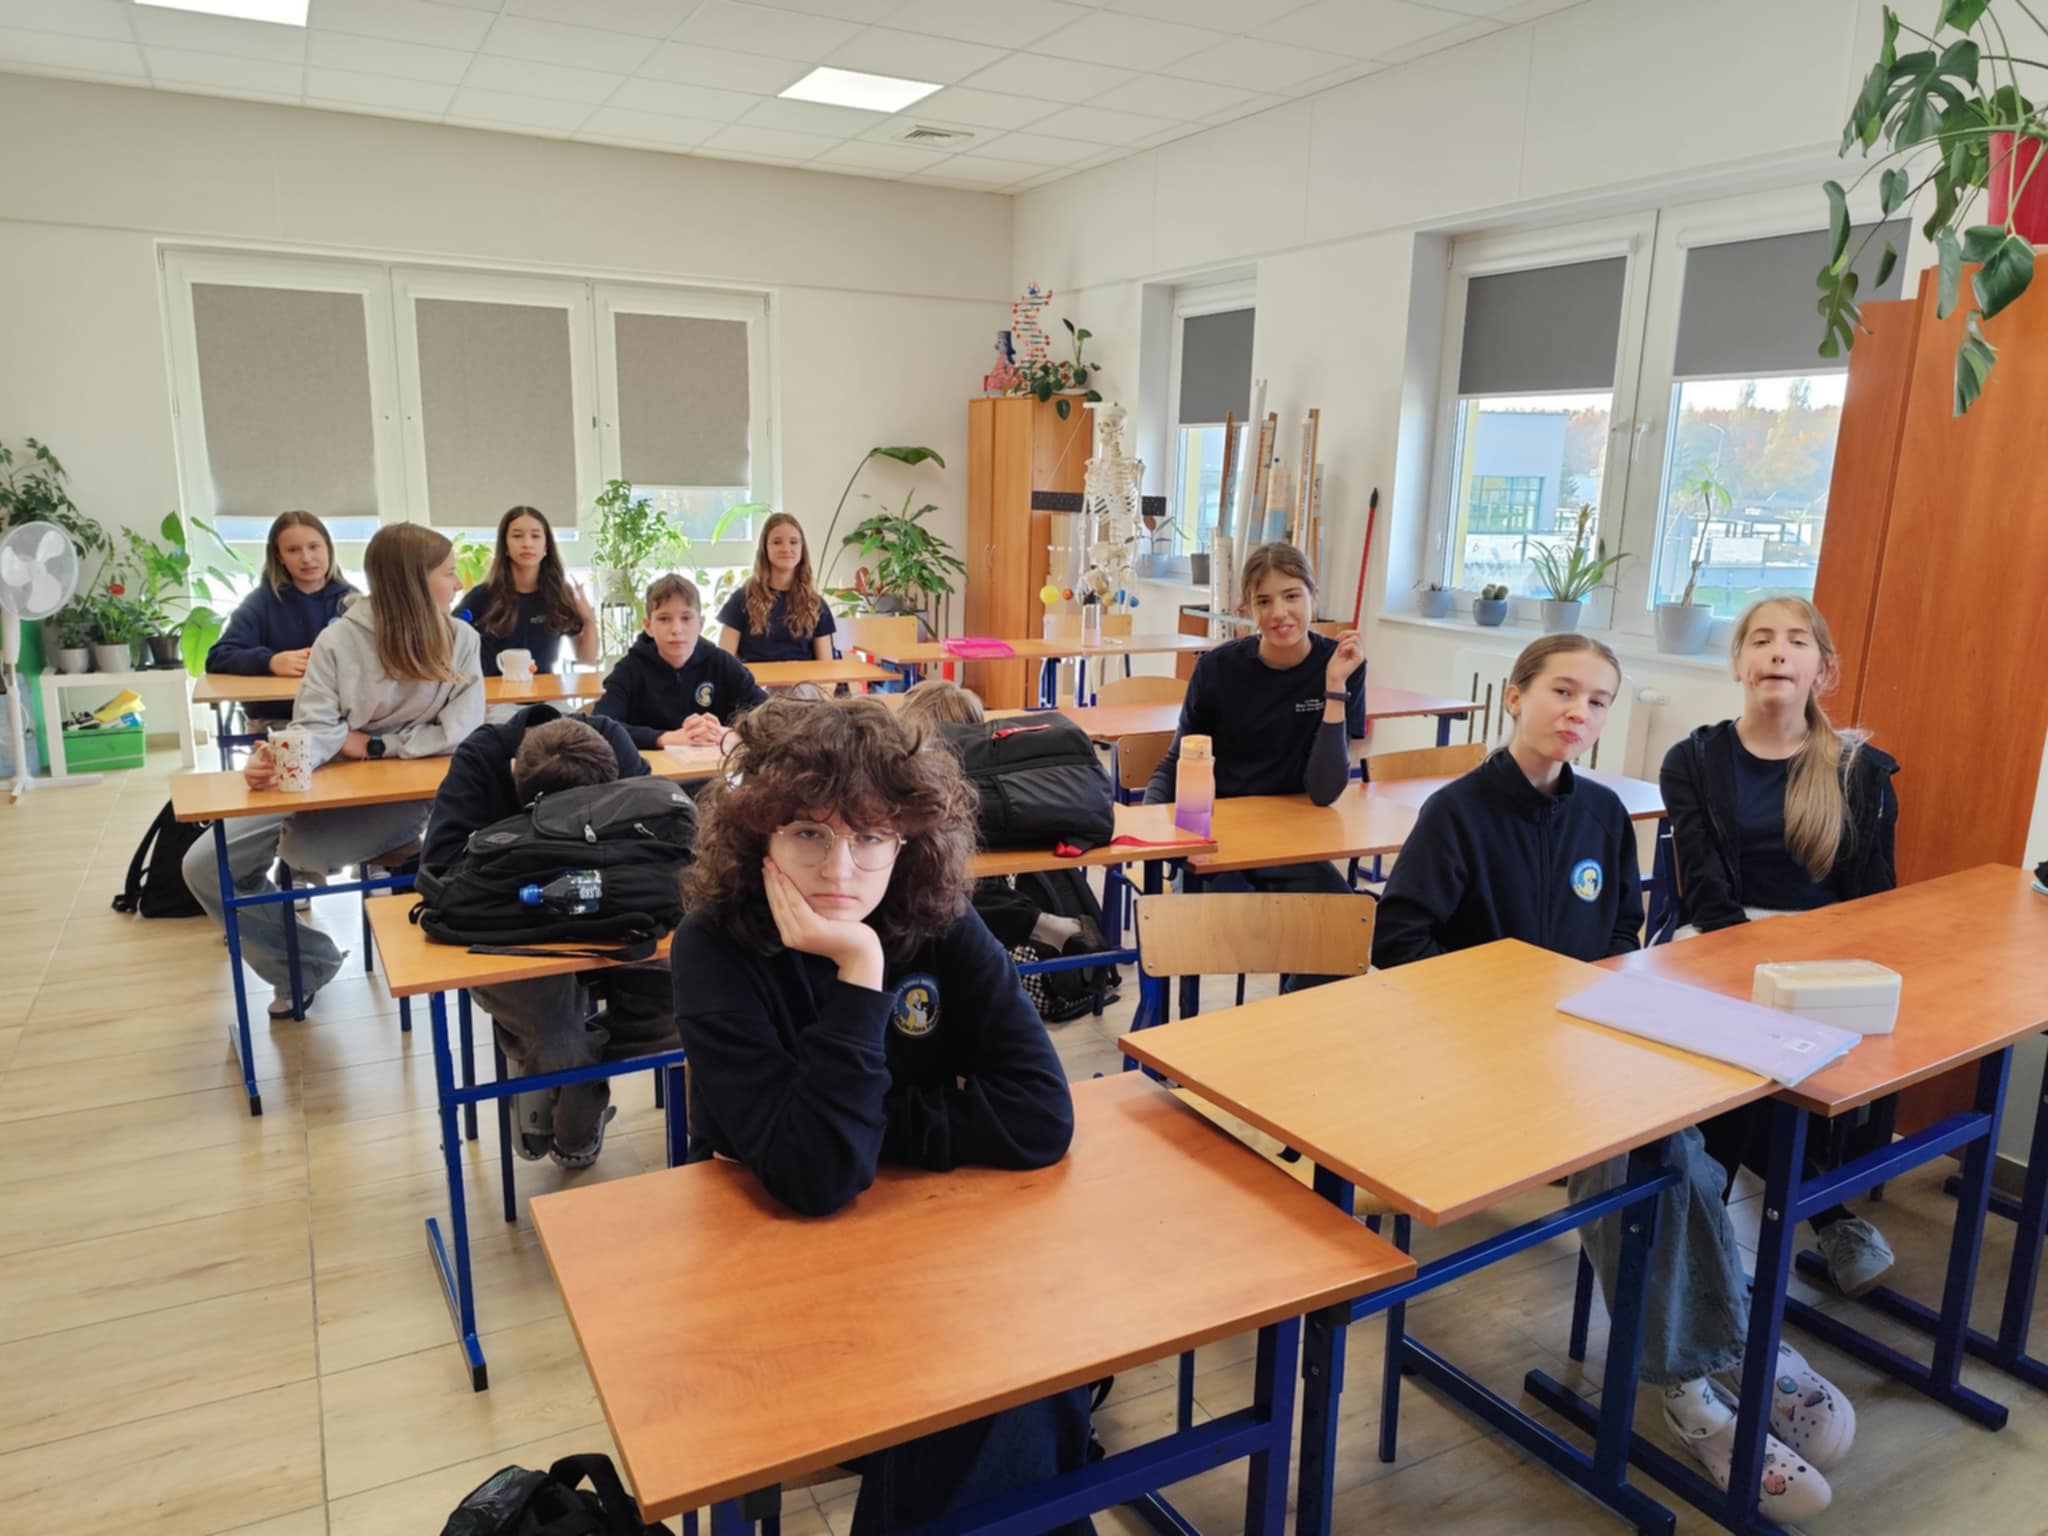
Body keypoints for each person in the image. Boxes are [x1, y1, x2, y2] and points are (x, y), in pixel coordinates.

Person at [1372, 633, 1850, 1523]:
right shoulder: (1456, 812)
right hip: (1475, 1062)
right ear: (1515, 696)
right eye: (1562, 691)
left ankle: (1728, 1351)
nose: (1578, 713)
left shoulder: (1599, 813)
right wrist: (1511, 1004)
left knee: (1680, 1146)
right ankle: (1700, 1381)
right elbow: (1398, 947)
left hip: (1581, 1049)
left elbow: (1622, 933)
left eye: (1597, 701)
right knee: (1638, 1158)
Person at [671, 695, 1089, 1535]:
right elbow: (819, 1180)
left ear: (906, 842)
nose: (841, 870)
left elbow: (1043, 1116)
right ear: (759, 837)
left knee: (1019, 1373)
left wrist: (868, 1127)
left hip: (927, 1253)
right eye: (808, 834)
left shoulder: (938, 916)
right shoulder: (714, 946)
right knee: (1001, 1402)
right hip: (772, 1274)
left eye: (869, 838)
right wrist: (860, 972)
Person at [1662, 596, 1902, 1297]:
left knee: (1762, 1077)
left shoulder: (1861, 771)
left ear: (1822, 669)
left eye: (1797, 641)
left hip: (1824, 959)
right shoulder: (1694, 759)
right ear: (1738, 662)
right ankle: (1825, 1215)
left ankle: (1703, 1236)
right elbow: (1705, 891)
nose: (1776, 651)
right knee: (1750, 1056)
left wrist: (1815, 977)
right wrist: (1758, 978)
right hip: (1719, 943)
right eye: (1761, 639)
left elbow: (1874, 900)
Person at [183, 524, 484, 1018]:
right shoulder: (339, 641)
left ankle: (378, 872)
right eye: (449, 573)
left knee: (305, 850)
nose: (459, 584)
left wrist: (377, 744)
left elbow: (459, 731)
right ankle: (304, 965)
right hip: (332, 775)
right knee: (204, 867)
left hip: (410, 789)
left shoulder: (461, 639)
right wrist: (275, 760)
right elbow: (318, 727)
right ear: (413, 582)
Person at [422, 710, 672, 1167]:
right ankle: (569, 1098)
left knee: (681, 1007)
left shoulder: (609, 742)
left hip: (613, 920)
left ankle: (564, 1076)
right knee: (557, 1040)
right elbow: (439, 868)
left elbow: (661, 835)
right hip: (511, 931)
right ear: (512, 771)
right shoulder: (482, 755)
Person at [1143, 542, 1366, 991]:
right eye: (1264, 601)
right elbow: (1178, 758)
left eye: (1292, 596)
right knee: (1220, 935)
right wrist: (1155, 827)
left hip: (1291, 843)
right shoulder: (1218, 669)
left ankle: (1291, 1022)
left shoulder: (1342, 665)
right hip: (1217, 839)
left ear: (1313, 596)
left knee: (1343, 932)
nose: (1280, 612)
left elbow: (1324, 791)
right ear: (1247, 608)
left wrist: (1334, 689)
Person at [205, 510, 355, 722]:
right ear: (279, 556)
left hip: (341, 719)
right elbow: (219, 656)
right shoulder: (260, 603)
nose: (306, 558)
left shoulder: (352, 602)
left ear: (328, 548)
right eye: (293, 550)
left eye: (314, 547)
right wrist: (270, 662)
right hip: (277, 719)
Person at [593, 574, 767, 748]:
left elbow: (771, 717)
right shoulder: (629, 669)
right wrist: (662, 738)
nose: (676, 629)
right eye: (664, 619)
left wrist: (730, 734)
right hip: (649, 764)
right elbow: (600, 726)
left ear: (700, 624)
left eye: (686, 618)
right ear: (648, 626)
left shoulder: (722, 664)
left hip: (713, 762)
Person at [454, 505, 598, 679]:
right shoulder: (482, 596)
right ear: (505, 545)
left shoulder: (560, 594)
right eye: (517, 536)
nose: (527, 544)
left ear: (546, 545)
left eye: (535, 536)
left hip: (545, 691)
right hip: (493, 694)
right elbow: (452, 642)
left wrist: (589, 620)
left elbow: (587, 659)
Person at [715, 512, 837, 663]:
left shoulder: (815, 604)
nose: (786, 548)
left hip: (803, 678)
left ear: (802, 548)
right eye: (777, 542)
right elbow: (724, 662)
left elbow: (826, 668)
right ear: (765, 548)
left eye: (793, 542)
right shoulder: (741, 599)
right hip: (754, 678)